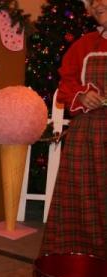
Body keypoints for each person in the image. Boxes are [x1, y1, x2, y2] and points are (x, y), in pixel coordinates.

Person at [40, 0, 107, 258]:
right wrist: (81, 96)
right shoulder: (84, 46)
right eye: (92, 2)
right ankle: (83, 265)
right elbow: (66, 85)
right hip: (87, 136)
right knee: (82, 202)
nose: (97, 4)